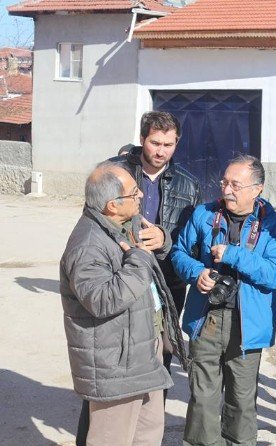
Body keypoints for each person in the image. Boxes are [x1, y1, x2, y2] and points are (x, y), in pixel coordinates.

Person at [76, 111, 201, 445]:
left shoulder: (189, 185)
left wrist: (166, 238)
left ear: (177, 143)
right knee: (110, 384)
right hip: (121, 279)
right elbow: (97, 220)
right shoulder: (114, 171)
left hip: (164, 288)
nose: (160, 151)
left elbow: (190, 240)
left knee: (156, 369)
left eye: (168, 144)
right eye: (155, 142)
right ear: (142, 138)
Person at [60, 162, 187, 446]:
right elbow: (102, 300)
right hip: (116, 363)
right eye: (134, 193)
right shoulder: (88, 245)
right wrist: (140, 260)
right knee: (112, 439)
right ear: (112, 205)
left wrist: (162, 241)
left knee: (148, 433)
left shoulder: (122, 225)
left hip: (142, 350)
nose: (141, 195)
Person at [172, 155, 276, 446]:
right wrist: (197, 272)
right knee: (203, 398)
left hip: (247, 325)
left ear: (257, 189)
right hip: (206, 319)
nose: (226, 190)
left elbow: (275, 274)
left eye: (235, 184)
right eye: (224, 182)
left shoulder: (275, 227)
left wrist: (233, 254)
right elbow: (178, 253)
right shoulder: (202, 214)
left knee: (241, 400)